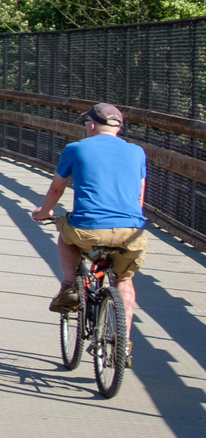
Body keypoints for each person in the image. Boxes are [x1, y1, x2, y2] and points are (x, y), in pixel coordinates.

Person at [31, 102, 148, 363]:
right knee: (123, 281)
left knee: (65, 234)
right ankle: (122, 344)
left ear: (92, 125)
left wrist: (43, 213)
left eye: (87, 123)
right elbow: (139, 197)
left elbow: (56, 191)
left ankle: (70, 285)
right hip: (131, 232)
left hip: (88, 228)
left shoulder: (76, 149)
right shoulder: (137, 152)